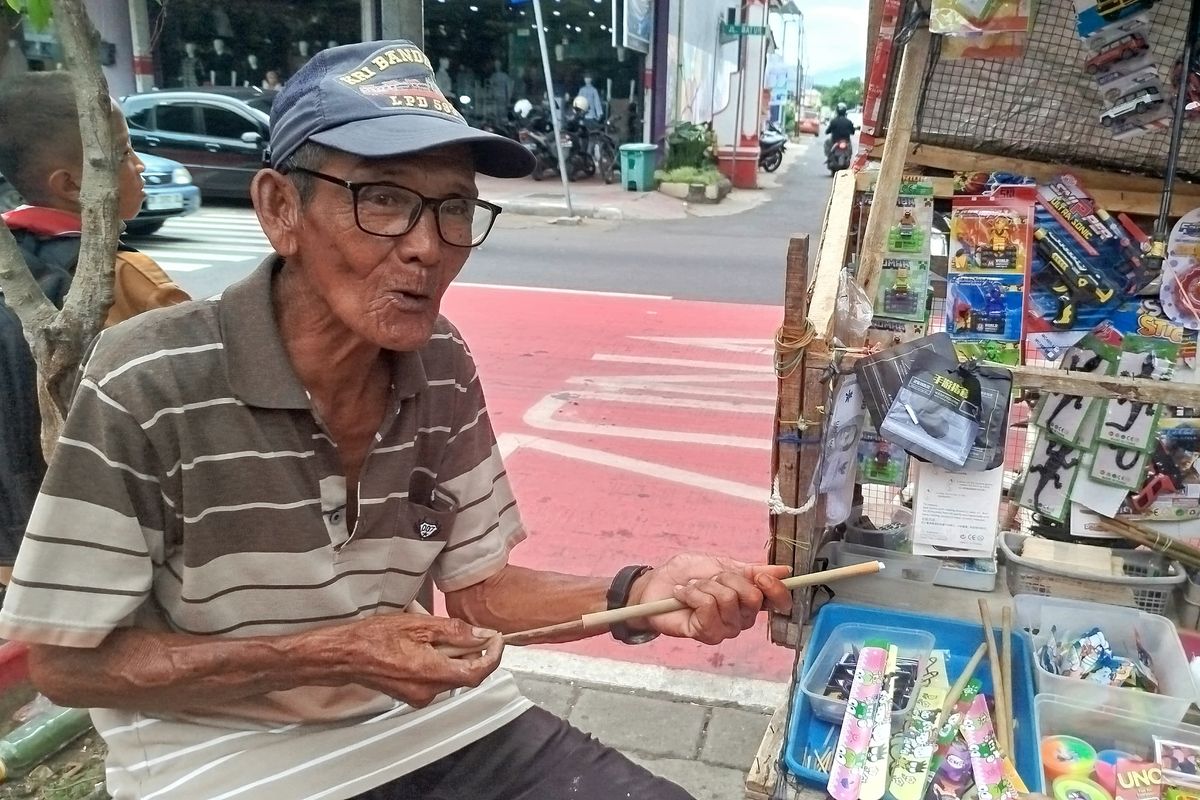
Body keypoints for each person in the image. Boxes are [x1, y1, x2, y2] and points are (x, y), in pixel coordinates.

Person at [0, 40, 792, 800]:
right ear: (282, 209)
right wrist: (332, 652)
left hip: (426, 723)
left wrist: (645, 587)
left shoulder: (438, 360)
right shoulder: (148, 380)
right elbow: (68, 666)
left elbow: (480, 595)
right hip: (215, 758)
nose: (427, 246)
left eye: (453, 207)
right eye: (383, 199)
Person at [0, 71, 190, 590]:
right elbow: (204, 390)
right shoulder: (123, 276)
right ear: (72, 184)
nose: (140, 167)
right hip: (90, 543)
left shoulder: (10, 265)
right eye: (125, 154)